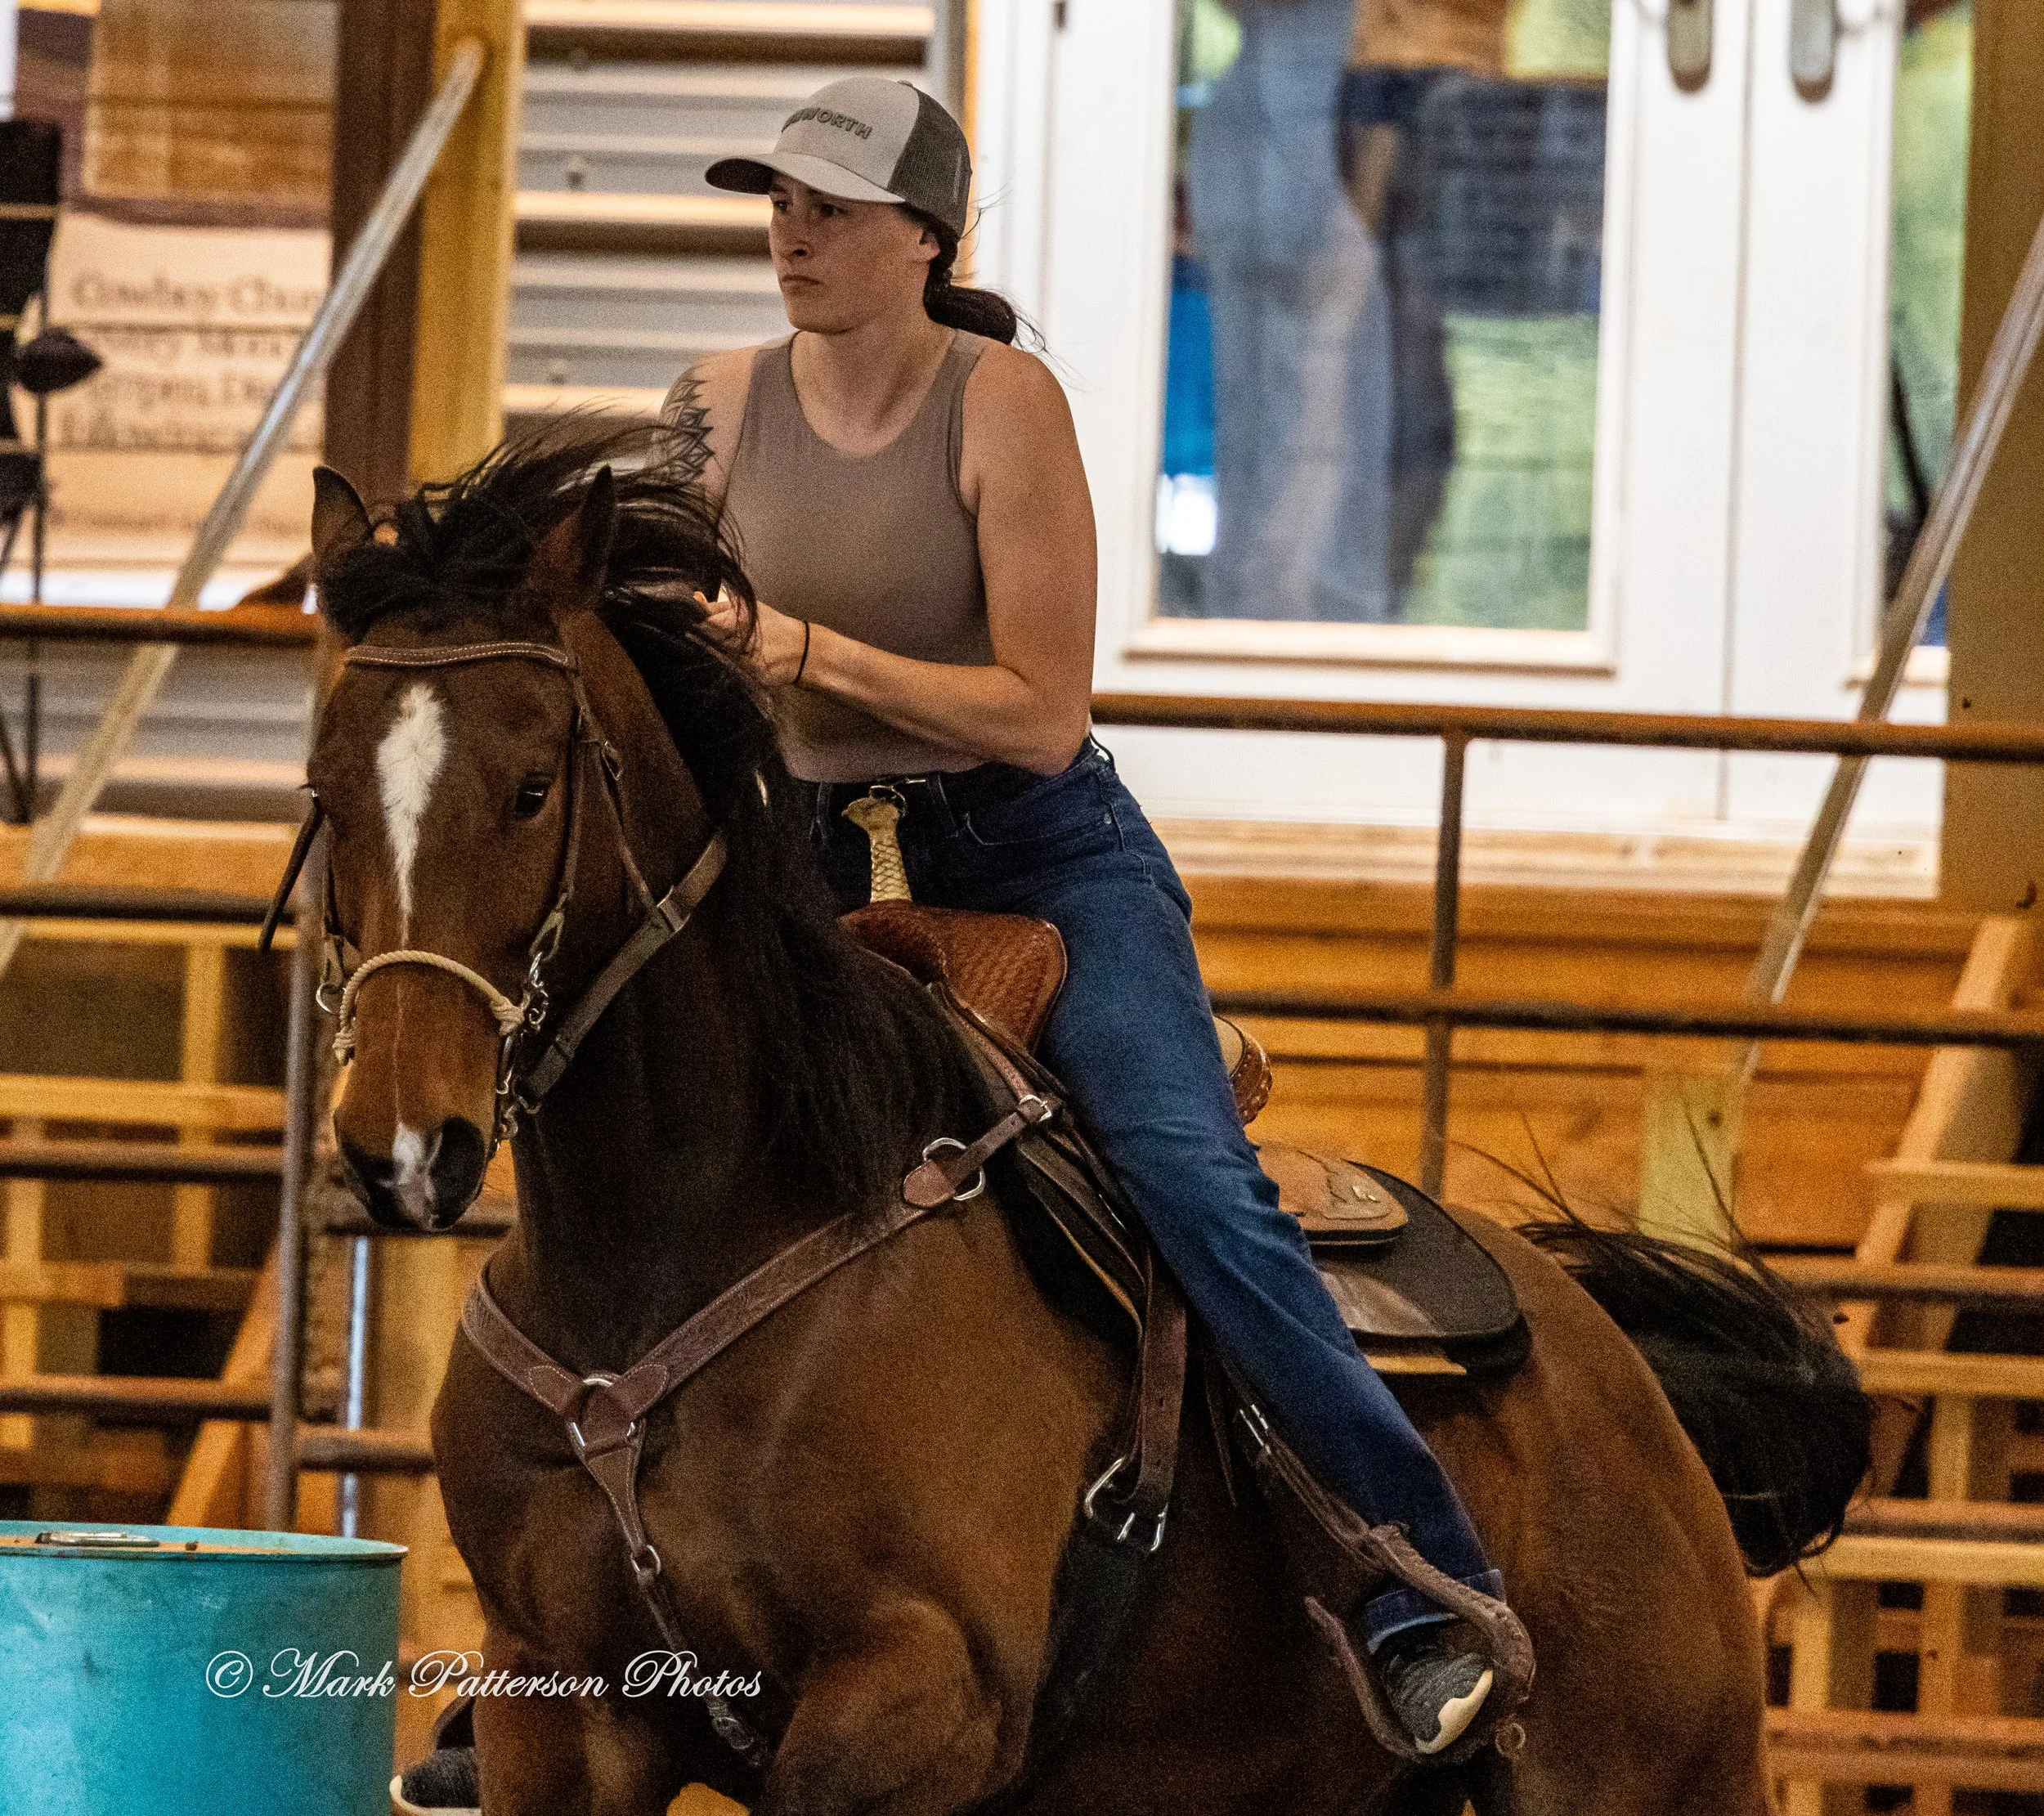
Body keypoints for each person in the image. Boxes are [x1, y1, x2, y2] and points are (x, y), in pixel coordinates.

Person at [666, 75, 1513, 1757]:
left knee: (1188, 1176)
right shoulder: (708, 403)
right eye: (778, 202)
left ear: (926, 238)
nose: (792, 234)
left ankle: (1418, 1582)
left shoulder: (1003, 404)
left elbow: (1043, 715)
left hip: (1035, 854)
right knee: (657, 1153)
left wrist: (806, 654)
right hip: (796, 849)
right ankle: (572, 1633)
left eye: (831, 209)